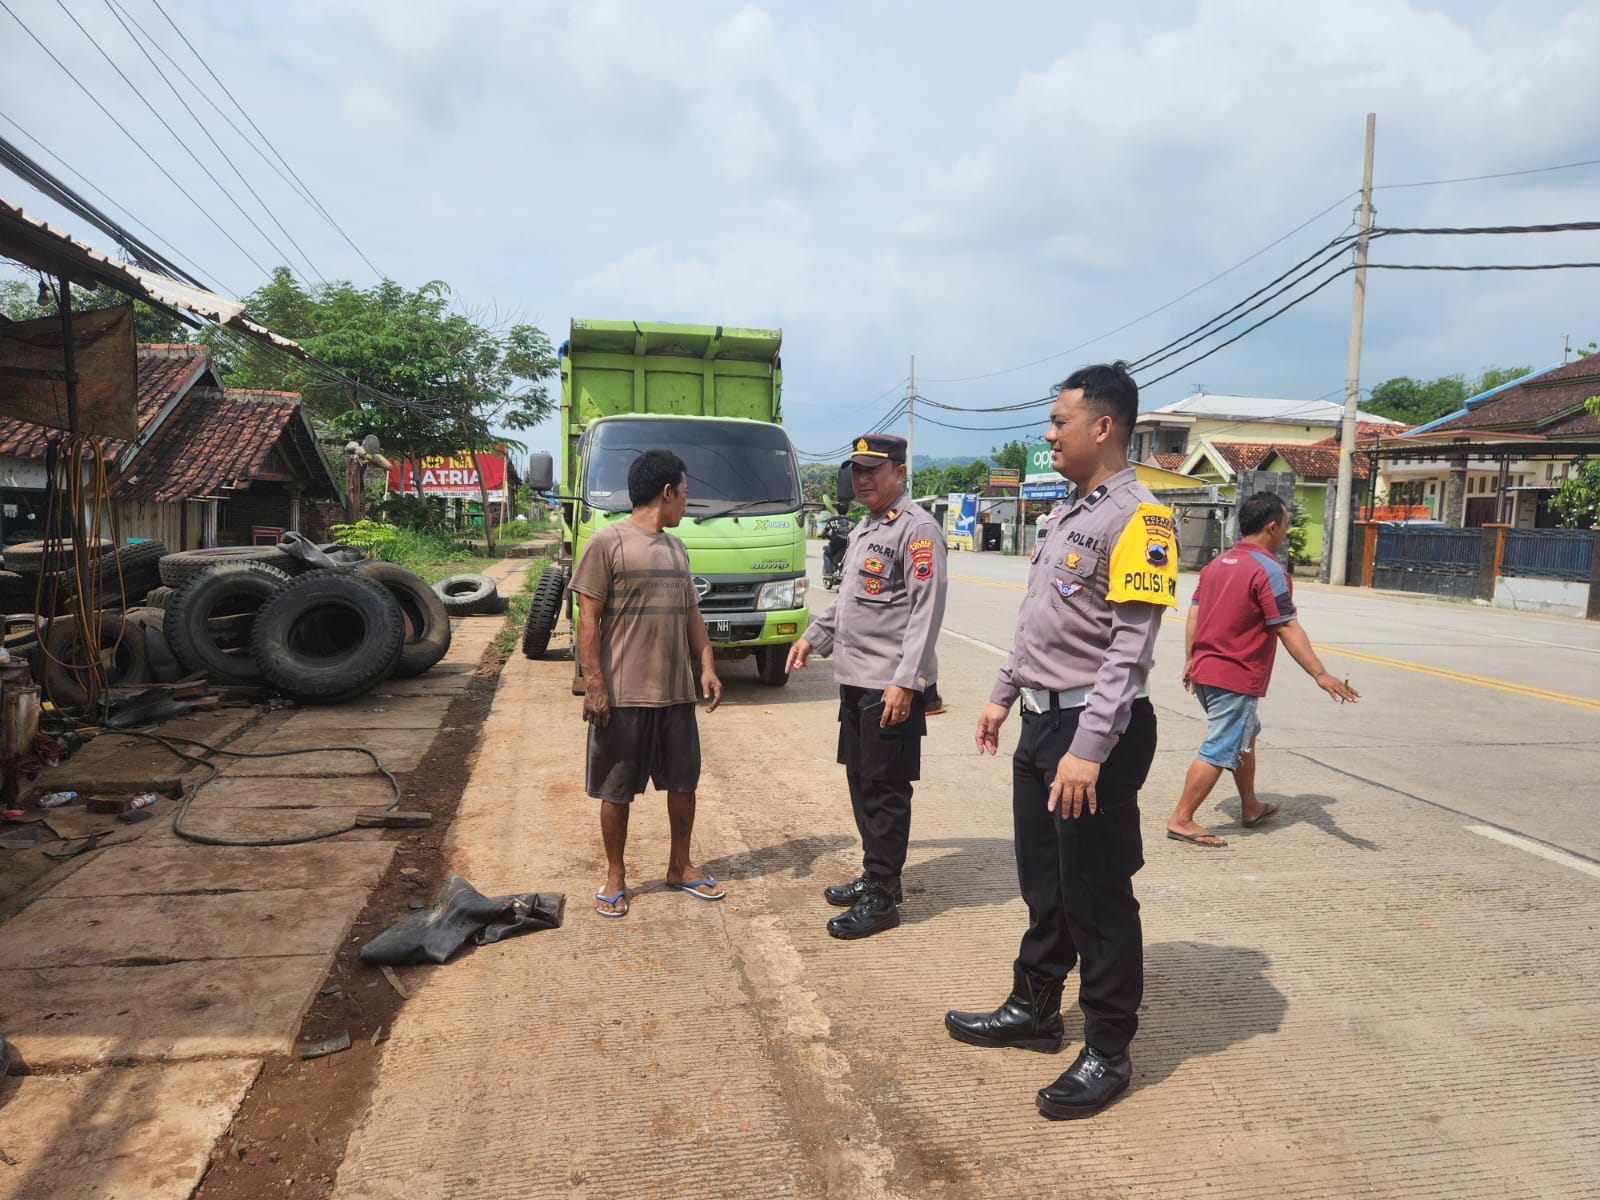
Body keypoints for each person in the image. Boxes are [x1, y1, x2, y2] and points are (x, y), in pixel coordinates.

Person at [944, 362, 1178, 1120]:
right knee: (1044, 881)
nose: (1048, 435)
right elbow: (1041, 621)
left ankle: (1108, 1048)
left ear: (1103, 427)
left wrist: (1090, 746)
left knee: (1097, 894)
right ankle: (1036, 1006)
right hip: (1045, 721)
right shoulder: (1067, 513)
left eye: (1059, 422)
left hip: (1092, 731)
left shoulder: (1142, 517)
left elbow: (1129, 648)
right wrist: (1002, 693)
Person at [786, 432, 948, 939]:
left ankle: (883, 895)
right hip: (855, 681)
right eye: (857, 470)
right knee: (860, 780)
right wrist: (813, 637)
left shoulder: (917, 530)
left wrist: (908, 681)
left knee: (884, 790)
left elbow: (927, 611)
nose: (863, 479)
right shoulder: (865, 528)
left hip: (889, 685)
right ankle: (877, 874)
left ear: (899, 472)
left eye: (873, 470)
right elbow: (850, 602)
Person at [570, 449, 724, 918]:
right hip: (624, 695)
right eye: (685, 491)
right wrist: (596, 686)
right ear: (666, 492)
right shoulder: (607, 542)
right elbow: (587, 620)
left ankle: (680, 865)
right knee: (616, 789)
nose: (686, 501)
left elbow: (691, 612)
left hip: (675, 693)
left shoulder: (677, 547)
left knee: (684, 783)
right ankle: (615, 876)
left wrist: (707, 665)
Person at [1165, 491, 1360, 847]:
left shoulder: (1215, 565)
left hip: (1206, 671)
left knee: (1246, 733)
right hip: (1236, 674)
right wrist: (1320, 673)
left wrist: (1191, 659)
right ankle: (1182, 818)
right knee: (1221, 744)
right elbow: (1286, 626)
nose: (1286, 531)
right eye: (1286, 524)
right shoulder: (1269, 570)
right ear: (1271, 527)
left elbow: (1194, 614)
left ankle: (1250, 806)